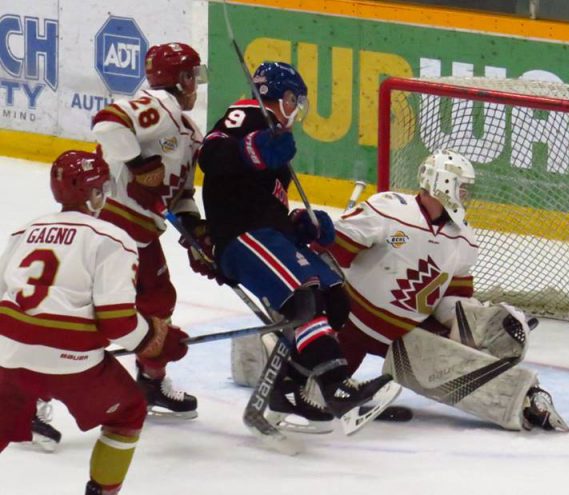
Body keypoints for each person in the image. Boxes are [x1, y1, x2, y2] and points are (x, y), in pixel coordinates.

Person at [197, 61, 396, 431]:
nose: (296, 108)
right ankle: (336, 387)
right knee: (303, 299)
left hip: (268, 235)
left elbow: (262, 202)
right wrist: (253, 150)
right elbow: (210, 156)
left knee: (335, 299)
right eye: (293, 98)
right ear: (275, 94)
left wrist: (303, 225)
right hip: (242, 237)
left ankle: (285, 389)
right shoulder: (250, 113)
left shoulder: (275, 139)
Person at [326, 149, 569, 432]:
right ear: (442, 184)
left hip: (402, 337)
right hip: (347, 323)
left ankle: (527, 401)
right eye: (462, 188)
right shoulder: (390, 210)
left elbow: (449, 298)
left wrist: (473, 321)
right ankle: (267, 356)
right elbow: (331, 255)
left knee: (456, 363)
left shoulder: (465, 240)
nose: (466, 195)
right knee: (309, 394)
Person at [0, 150, 188, 494]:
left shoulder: (22, 232)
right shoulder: (113, 238)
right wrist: (158, 340)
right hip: (75, 365)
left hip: (9, 357)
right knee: (128, 411)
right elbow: (117, 323)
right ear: (97, 192)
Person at [90, 42, 208, 418]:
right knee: (91, 313)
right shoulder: (158, 103)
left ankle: (152, 382)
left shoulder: (187, 129)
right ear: (183, 79)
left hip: (141, 232)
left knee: (158, 302)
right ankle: (33, 395)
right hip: (113, 225)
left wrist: (193, 228)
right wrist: (139, 163)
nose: (196, 87)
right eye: (194, 77)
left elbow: (181, 193)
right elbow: (108, 121)